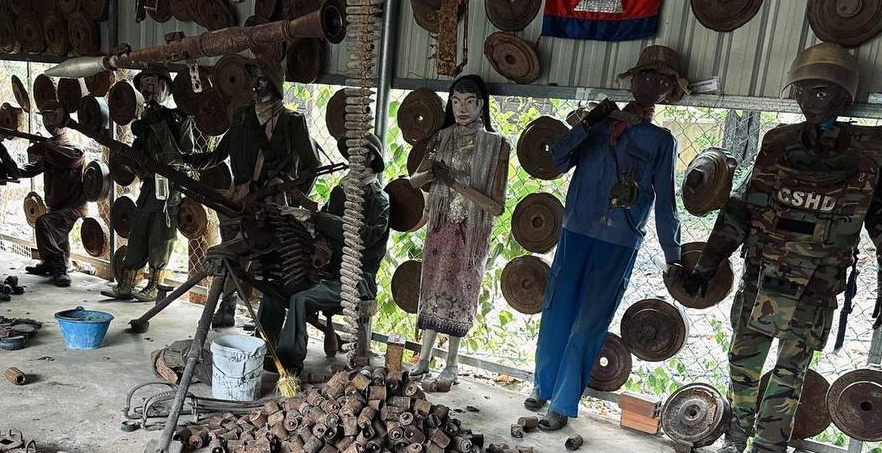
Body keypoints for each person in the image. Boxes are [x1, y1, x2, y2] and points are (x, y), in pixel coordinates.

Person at [687, 43, 882, 453]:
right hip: (762, 275)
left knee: (789, 374)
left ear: (845, 96)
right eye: (807, 89)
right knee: (742, 361)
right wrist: (709, 261)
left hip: (815, 284)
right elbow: (742, 209)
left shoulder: (864, 154)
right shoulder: (779, 143)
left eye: (826, 91)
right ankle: (735, 434)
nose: (814, 99)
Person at [525, 45, 687, 432]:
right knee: (557, 310)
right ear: (633, 80)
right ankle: (542, 386)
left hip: (618, 240)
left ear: (669, 92)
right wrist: (588, 122)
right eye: (647, 76)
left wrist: (673, 254)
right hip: (576, 229)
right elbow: (558, 159)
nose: (654, 84)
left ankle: (562, 403)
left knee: (589, 322)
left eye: (664, 81)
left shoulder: (661, 141)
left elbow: (665, 200)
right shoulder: (597, 124)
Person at [188, 59, 320, 328]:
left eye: (263, 80)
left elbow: (311, 166)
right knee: (231, 257)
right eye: (254, 79)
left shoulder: (291, 122)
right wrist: (185, 161)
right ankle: (226, 309)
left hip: (272, 204)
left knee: (270, 263)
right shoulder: (242, 117)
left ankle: (267, 320)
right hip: (239, 201)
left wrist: (294, 195)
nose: (257, 85)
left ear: (274, 85)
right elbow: (218, 154)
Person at [406, 75, 510, 386]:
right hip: (439, 227)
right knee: (433, 288)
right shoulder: (441, 137)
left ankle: (451, 363)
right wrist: (430, 174)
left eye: (469, 102)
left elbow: (497, 207)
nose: (461, 108)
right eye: (456, 101)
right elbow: (413, 181)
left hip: (470, 231)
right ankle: (423, 359)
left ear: (481, 105)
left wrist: (454, 183)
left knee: (461, 290)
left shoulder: (496, 146)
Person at [257, 134, 391, 375]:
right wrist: (304, 221)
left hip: (355, 279)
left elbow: (367, 238)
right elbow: (323, 230)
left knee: (300, 299)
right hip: (324, 271)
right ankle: (258, 351)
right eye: (350, 151)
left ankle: (289, 361)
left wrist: (320, 219)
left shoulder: (380, 201)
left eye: (359, 152)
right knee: (273, 294)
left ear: (371, 157)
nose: (352, 157)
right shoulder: (340, 193)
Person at [102, 67, 192, 302]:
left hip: (168, 191)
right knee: (138, 235)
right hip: (148, 189)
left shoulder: (177, 119)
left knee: (160, 239)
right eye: (144, 86)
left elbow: (184, 155)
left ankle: (154, 284)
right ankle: (127, 283)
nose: (149, 91)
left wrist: (160, 124)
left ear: (165, 88)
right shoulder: (143, 122)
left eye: (154, 85)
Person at [0, 102, 86, 287]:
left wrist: (44, 147)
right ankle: (52, 262)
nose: (49, 122)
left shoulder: (73, 150)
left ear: (63, 120)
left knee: (44, 223)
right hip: (57, 207)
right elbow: (21, 171)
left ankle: (59, 266)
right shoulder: (49, 150)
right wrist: (1, 150)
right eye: (45, 117)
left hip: (73, 208)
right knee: (53, 231)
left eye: (53, 116)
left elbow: (68, 158)